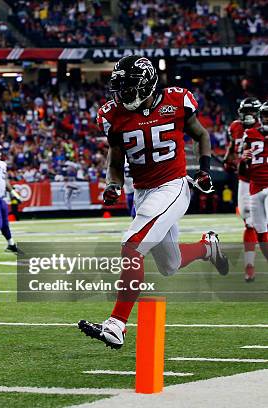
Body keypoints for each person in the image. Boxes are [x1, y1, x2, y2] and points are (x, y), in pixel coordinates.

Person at [78, 56, 229, 349]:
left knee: (132, 245)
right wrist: (114, 184)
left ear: (147, 83)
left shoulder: (176, 101)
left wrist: (206, 169)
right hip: (143, 191)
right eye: (120, 88)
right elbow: (115, 159)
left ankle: (117, 324)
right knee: (169, 265)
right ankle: (206, 247)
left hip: (173, 186)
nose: (123, 94)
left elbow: (201, 134)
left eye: (130, 87)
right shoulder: (113, 115)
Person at [224, 97, 262, 282]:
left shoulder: (263, 129)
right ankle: (249, 266)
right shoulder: (235, 127)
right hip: (245, 181)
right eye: (245, 112)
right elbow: (232, 147)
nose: (248, 116)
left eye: (251, 112)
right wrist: (228, 159)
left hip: (262, 180)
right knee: (249, 222)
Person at [239, 101, 268, 277]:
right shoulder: (249, 134)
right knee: (260, 232)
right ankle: (250, 267)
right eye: (265, 116)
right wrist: (243, 159)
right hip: (254, 187)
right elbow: (242, 168)